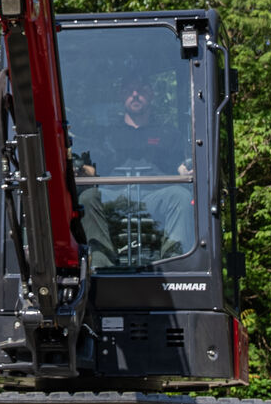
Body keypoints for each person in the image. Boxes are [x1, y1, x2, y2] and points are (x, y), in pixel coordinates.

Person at [76, 77, 194, 269]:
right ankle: (99, 262)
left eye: (141, 90)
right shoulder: (106, 135)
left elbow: (180, 167)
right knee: (88, 198)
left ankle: (175, 261)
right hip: (113, 196)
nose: (135, 95)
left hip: (154, 196)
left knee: (181, 196)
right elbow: (91, 170)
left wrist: (186, 169)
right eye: (130, 90)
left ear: (151, 95)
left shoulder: (168, 134)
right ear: (122, 96)